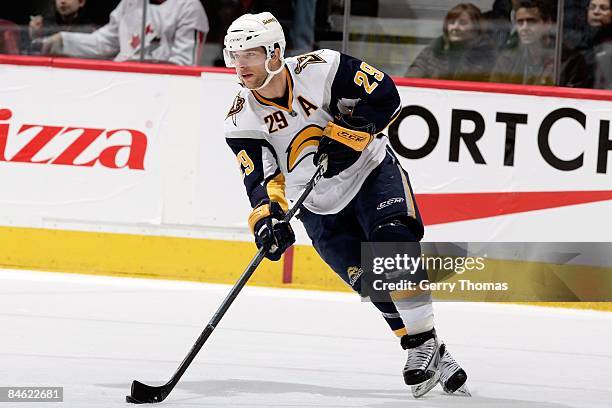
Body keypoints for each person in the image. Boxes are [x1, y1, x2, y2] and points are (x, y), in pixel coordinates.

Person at [222, 12, 470, 398]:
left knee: (393, 247)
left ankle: (420, 344)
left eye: (249, 54)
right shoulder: (241, 120)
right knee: (372, 284)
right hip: (319, 205)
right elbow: (262, 181)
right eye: (233, 55)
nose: (240, 65)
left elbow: (386, 95)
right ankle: (432, 348)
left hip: (370, 173)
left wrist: (349, 134)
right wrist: (267, 222)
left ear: (274, 53)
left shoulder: (323, 67)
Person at [37, 0, 209, 66]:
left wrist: (137, 66)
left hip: (161, 92)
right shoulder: (130, 2)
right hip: (120, 81)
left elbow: (185, 64)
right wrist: (63, 41)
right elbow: (103, 43)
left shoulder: (189, 7)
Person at [490, 0, 589, 87]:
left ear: (548, 23)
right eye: (520, 22)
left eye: (531, 22)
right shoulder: (506, 59)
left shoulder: (570, 61)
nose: (524, 28)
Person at [406, 3, 495, 82]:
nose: (455, 27)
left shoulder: (489, 56)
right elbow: (412, 79)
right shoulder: (432, 50)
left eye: (462, 23)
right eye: (451, 22)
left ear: (476, 28)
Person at [25, 0, 96, 54]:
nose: (62, 1)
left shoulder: (90, 30)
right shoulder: (45, 24)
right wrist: (34, 36)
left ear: (81, 2)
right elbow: (34, 51)